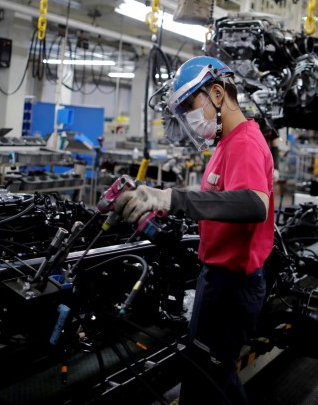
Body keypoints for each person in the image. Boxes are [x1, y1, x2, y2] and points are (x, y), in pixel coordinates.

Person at [113, 56, 274, 405]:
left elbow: (254, 204)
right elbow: (218, 202)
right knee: (207, 375)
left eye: (189, 104)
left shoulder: (245, 142)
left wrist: (173, 198)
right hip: (216, 279)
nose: (188, 116)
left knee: (212, 382)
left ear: (218, 93)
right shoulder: (226, 144)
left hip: (233, 286)